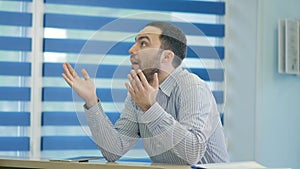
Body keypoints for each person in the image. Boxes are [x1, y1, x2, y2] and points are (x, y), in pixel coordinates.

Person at [62, 21, 229, 165]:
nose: (131, 50)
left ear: (166, 57)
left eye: (143, 44)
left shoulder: (192, 87)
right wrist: (92, 101)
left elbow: (192, 153)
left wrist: (150, 108)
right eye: (135, 42)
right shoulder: (139, 92)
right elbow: (114, 150)